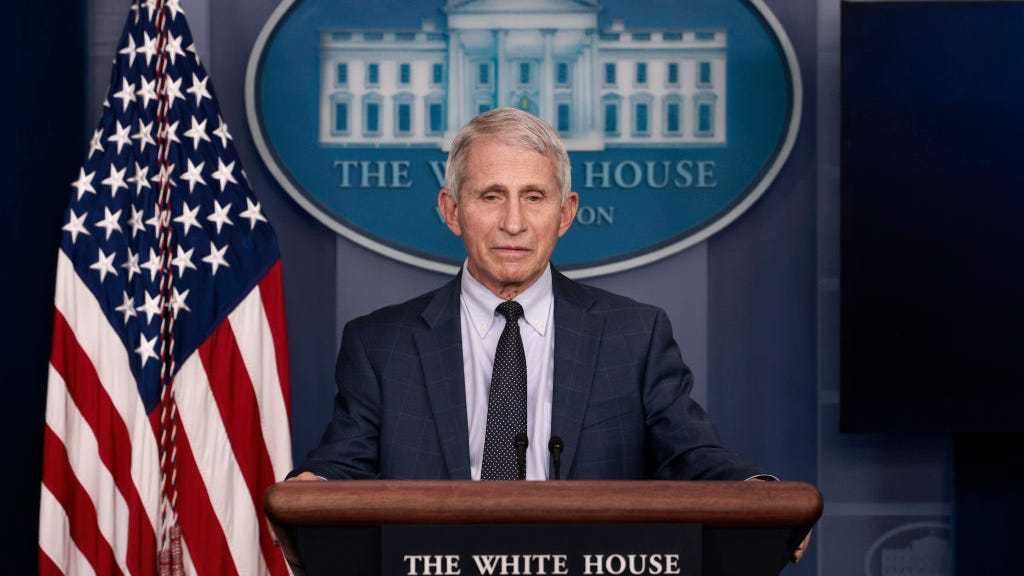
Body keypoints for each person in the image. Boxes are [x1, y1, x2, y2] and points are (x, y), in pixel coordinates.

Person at [290, 107, 809, 560]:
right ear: (451, 210)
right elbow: (342, 466)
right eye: (491, 196)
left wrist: (757, 495)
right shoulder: (380, 345)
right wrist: (311, 489)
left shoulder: (634, 336)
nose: (513, 223)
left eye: (534, 197)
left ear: (565, 214)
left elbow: (691, 454)